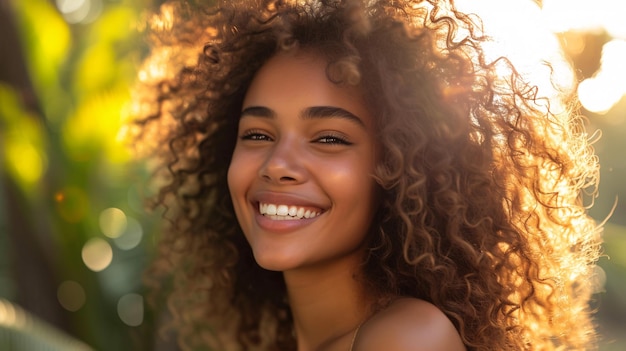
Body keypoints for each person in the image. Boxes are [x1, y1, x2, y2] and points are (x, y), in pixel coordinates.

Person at [129, 0, 602, 350]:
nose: (277, 165)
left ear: (397, 170)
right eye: (256, 134)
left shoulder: (407, 338)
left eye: (329, 138)